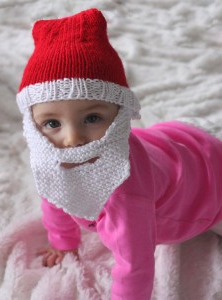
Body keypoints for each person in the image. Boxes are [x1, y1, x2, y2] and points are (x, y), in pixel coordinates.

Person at [16, 8, 222, 300]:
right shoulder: (49, 154)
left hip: (206, 185)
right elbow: (55, 195)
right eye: (52, 123)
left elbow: (135, 264)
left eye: (92, 118)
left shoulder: (125, 192)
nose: (72, 139)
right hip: (176, 140)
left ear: (120, 114)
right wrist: (63, 242)